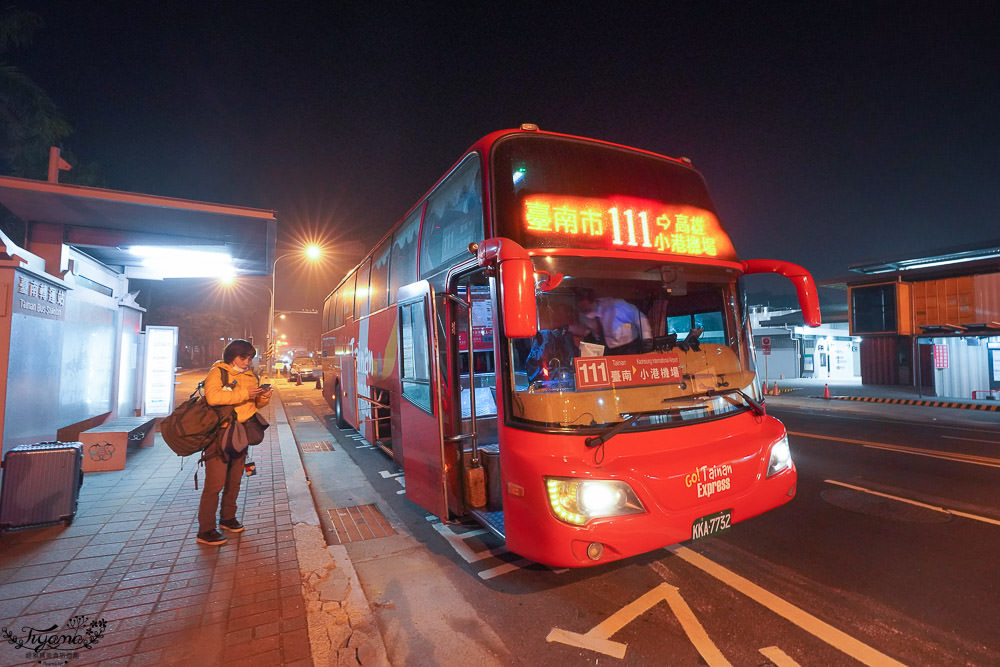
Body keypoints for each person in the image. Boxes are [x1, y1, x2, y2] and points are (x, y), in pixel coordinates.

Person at [196, 339, 272, 546]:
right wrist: (245, 393)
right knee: (215, 483)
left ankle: (228, 518)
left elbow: (255, 404)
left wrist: (264, 396)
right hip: (220, 435)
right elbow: (213, 397)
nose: (247, 362)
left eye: (250, 358)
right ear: (232, 356)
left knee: (235, 479)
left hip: (242, 433)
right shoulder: (218, 372)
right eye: (243, 357)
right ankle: (206, 529)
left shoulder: (250, 376)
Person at [576, 288, 652, 355]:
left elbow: (640, 319)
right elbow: (586, 331)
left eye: (587, 309)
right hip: (609, 349)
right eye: (583, 310)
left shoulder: (618, 306)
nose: (586, 313)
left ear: (593, 302)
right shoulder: (586, 316)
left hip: (629, 346)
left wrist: (647, 339)